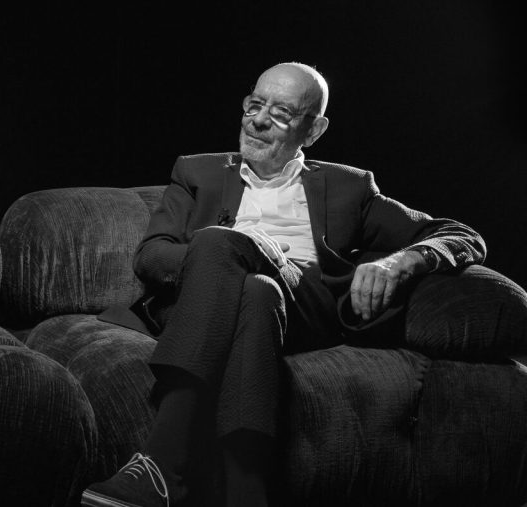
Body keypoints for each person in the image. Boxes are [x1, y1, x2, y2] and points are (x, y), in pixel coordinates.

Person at [81, 62, 485, 507]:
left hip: (303, 305)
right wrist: (231, 252)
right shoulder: (197, 172)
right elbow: (152, 255)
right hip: (221, 301)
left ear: (313, 130)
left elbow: (460, 235)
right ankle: (247, 491)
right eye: (255, 104)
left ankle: (161, 465)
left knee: (228, 249)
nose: (258, 120)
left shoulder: (349, 187)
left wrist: (402, 262)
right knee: (254, 286)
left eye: (281, 113)